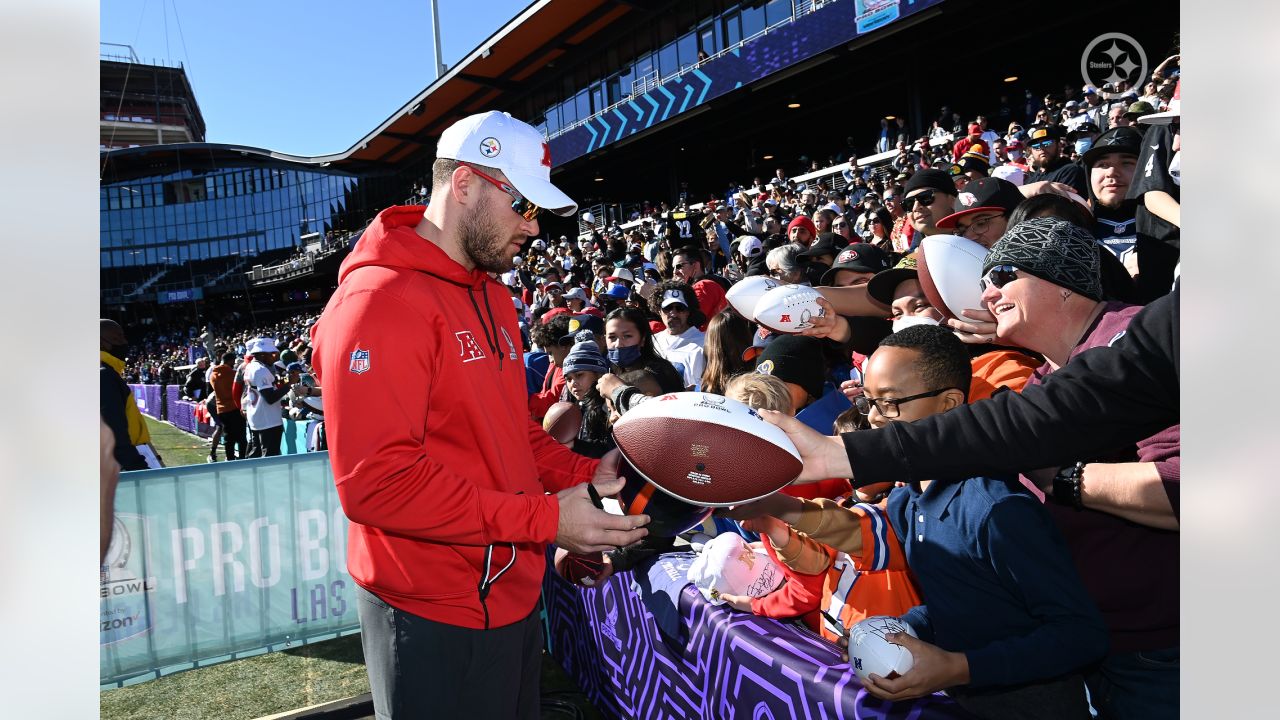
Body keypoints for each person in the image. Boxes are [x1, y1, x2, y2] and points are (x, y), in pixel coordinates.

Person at [310, 111, 648, 719]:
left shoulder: (490, 291)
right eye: (521, 205)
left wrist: (582, 474)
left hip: (508, 591)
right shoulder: (376, 304)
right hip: (428, 606)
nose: (533, 226)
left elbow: (506, 428)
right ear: (463, 183)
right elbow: (378, 486)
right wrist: (545, 521)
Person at [733, 325, 1107, 716]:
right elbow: (963, 605)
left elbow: (1081, 635)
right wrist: (902, 629)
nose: (876, 418)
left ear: (949, 404)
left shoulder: (998, 510)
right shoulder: (907, 498)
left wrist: (957, 667)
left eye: (891, 403)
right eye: (869, 402)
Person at [978, 218, 1179, 718]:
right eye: (984, 284)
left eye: (1002, 275)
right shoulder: (1042, 381)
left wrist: (1064, 479)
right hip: (1099, 644)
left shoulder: (1140, 343)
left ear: (1061, 283)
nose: (988, 294)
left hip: (1171, 647)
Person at [100, 319, 158, 471]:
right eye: (117, 337)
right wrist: (138, 468)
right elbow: (113, 432)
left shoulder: (107, 372)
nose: (124, 342)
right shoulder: (104, 375)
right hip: (126, 464)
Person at [648, 283, 707, 391]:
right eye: (668, 308)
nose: (673, 314)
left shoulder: (705, 343)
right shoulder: (652, 341)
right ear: (658, 310)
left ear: (688, 312)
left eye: (680, 308)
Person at [240, 337, 288, 458]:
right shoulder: (260, 370)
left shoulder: (251, 366)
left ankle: (252, 476)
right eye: (271, 354)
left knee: (256, 454)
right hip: (268, 420)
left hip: (258, 416)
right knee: (270, 457)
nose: (275, 357)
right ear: (261, 355)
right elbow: (270, 398)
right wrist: (289, 384)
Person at [209, 351, 248, 461]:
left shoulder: (213, 375)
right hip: (235, 408)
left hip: (221, 409)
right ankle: (242, 459)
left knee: (228, 437)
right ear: (230, 360)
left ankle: (230, 460)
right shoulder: (232, 374)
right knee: (241, 437)